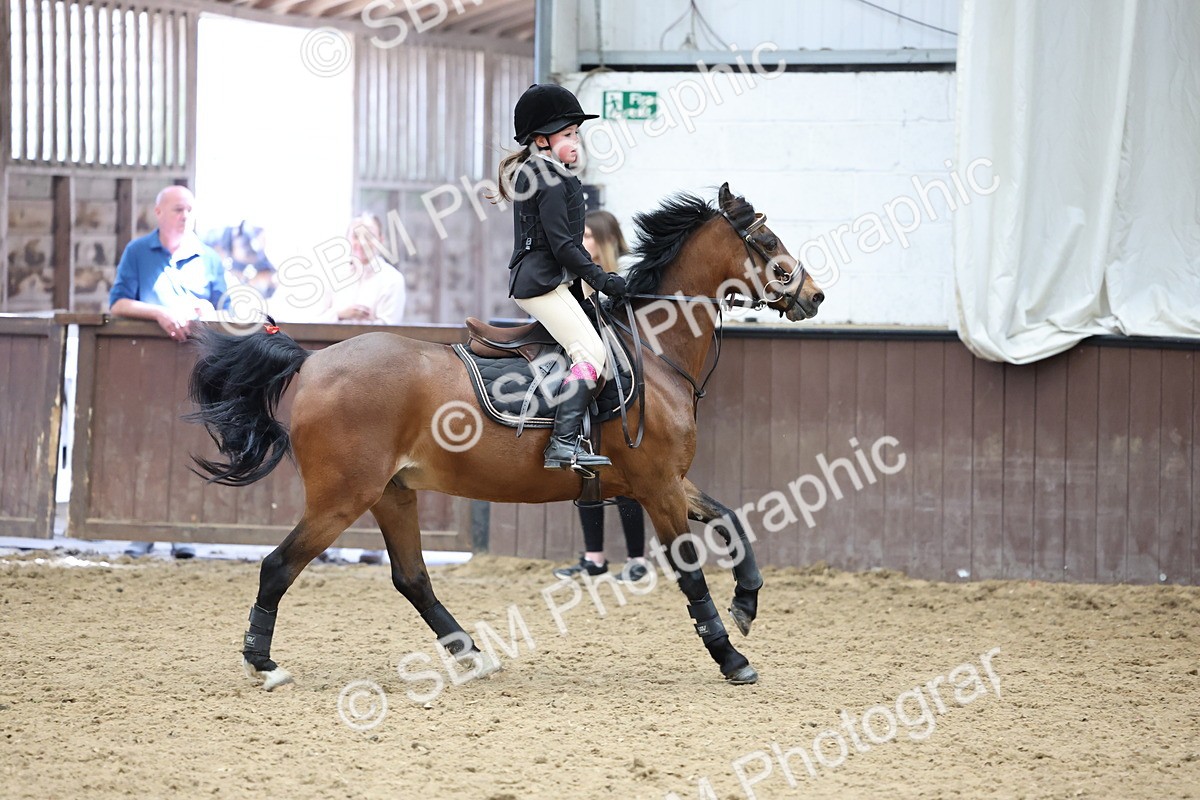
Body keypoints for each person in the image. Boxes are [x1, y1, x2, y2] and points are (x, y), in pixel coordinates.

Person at [497, 83, 627, 471]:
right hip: (540, 283)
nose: (575, 141)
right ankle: (563, 444)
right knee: (591, 353)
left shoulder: (546, 172)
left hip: (551, 279)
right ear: (541, 140)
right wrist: (603, 279)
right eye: (568, 134)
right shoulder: (548, 177)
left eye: (575, 134)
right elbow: (563, 247)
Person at [109, 185, 226, 559]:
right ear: (158, 212)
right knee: (144, 444)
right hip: (146, 370)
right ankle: (142, 529)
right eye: (177, 208)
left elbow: (226, 309)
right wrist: (159, 312)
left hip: (196, 368)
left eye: (190, 209)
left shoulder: (208, 258)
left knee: (191, 446)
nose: (184, 215)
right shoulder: (137, 252)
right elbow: (119, 302)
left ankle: (183, 529)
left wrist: (204, 308)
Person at [554, 210, 648, 582]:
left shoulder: (623, 277)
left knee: (624, 471)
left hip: (622, 378)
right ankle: (594, 558)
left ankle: (636, 559)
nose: (583, 242)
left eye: (589, 236)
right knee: (588, 466)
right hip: (584, 370)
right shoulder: (578, 276)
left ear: (606, 240)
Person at [309, 214, 407, 325]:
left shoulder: (393, 279)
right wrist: (340, 315)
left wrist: (359, 322)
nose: (362, 243)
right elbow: (313, 322)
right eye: (355, 236)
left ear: (381, 239)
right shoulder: (330, 276)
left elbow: (390, 329)